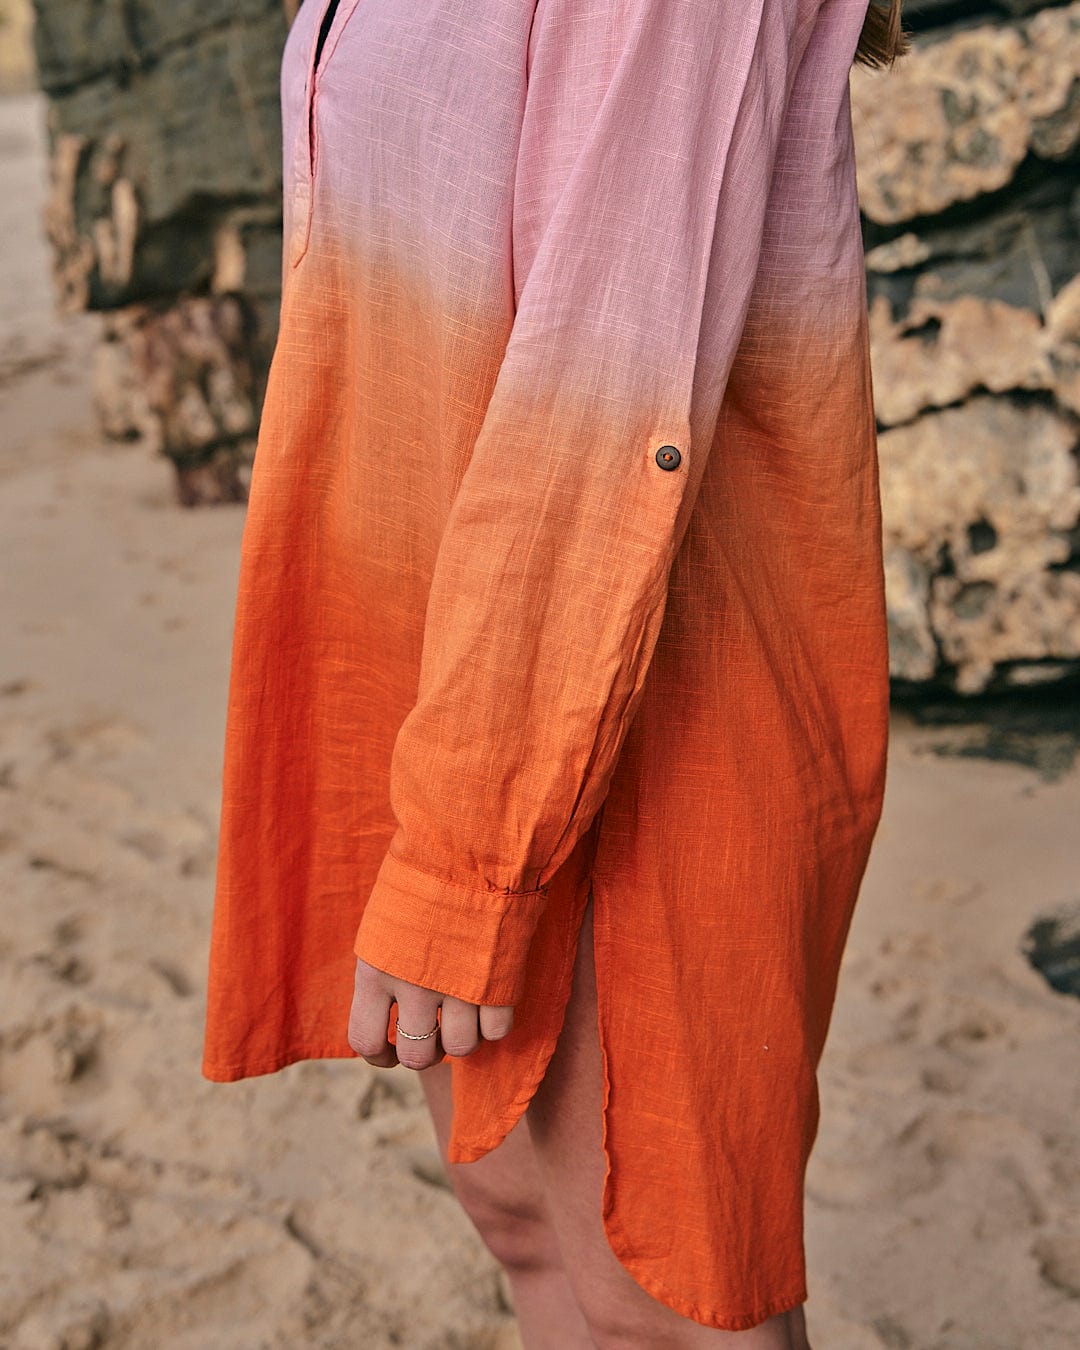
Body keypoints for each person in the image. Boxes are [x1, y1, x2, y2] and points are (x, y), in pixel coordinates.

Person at [202, 0, 909, 1344]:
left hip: (631, 696)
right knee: (526, 1221)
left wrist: (467, 852)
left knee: (663, 1294)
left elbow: (613, 389)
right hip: (452, 671)